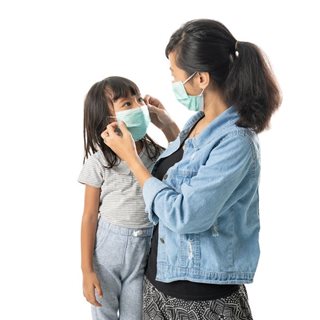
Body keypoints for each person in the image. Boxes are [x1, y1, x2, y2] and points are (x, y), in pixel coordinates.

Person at [102, 19, 281, 320]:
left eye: (175, 74)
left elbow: (186, 215)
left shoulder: (237, 142)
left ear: (200, 79)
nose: (173, 82)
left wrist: (133, 160)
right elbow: (189, 173)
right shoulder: (196, 122)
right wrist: (170, 128)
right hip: (158, 284)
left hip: (202, 300)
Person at [78, 76, 179, 320]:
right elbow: (90, 216)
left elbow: (184, 158)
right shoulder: (99, 162)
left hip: (143, 253)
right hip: (106, 255)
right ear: (106, 120)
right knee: (104, 315)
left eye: (139, 100)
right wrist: (87, 270)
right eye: (127, 104)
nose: (138, 107)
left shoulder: (156, 154)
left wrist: (166, 122)